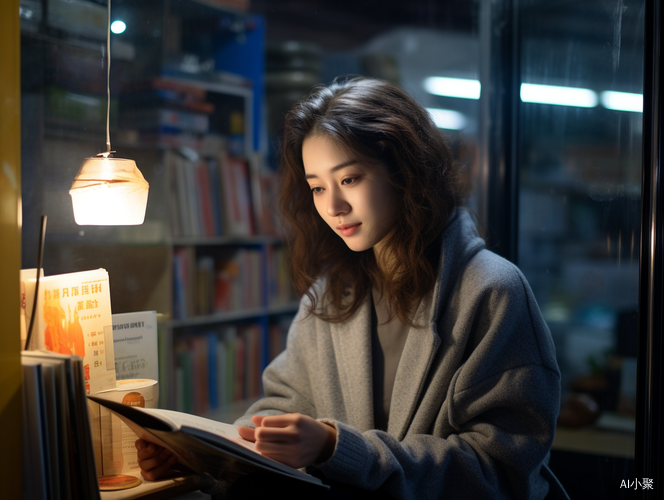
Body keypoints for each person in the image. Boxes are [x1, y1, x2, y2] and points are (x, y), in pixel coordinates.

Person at [136, 76, 562, 499]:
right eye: (318, 187)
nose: (333, 207)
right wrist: (199, 459)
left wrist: (337, 448)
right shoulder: (329, 295)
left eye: (350, 179)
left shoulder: (493, 291)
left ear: (404, 171)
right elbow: (282, 412)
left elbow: (503, 470)